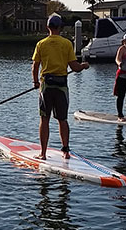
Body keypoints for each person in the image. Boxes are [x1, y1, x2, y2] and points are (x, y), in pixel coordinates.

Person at [32, 13, 90, 159]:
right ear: (60, 27)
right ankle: (65, 152)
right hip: (61, 86)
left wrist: (35, 82)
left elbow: (35, 66)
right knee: (62, 119)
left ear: (48, 27)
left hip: (46, 86)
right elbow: (75, 67)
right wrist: (84, 66)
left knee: (44, 119)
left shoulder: (41, 44)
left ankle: (43, 154)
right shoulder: (67, 44)